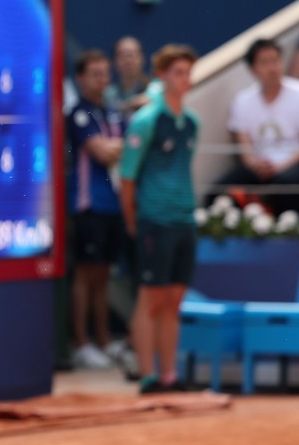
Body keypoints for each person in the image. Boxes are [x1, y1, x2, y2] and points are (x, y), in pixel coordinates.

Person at [119, 45, 201, 396]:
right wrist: (133, 221)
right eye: (178, 72)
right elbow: (127, 176)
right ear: (163, 76)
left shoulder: (192, 123)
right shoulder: (146, 120)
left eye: (188, 72)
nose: (185, 79)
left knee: (174, 301)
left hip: (184, 219)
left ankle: (169, 375)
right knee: (149, 299)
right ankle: (147, 375)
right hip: (154, 219)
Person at [210, 38, 299, 216]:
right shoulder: (242, 101)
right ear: (252, 69)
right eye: (264, 62)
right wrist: (256, 164)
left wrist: (279, 167)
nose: (272, 68)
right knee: (216, 193)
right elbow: (245, 149)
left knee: (284, 186)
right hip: (259, 165)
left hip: (297, 162)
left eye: (275, 60)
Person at [65, 50, 125, 371]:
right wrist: (116, 147)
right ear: (81, 78)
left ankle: (104, 340)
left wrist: (116, 148)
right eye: (95, 73)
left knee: (103, 275)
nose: (102, 79)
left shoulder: (112, 113)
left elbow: (128, 149)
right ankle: (81, 343)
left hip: (114, 204)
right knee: (85, 275)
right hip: (88, 203)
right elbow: (102, 153)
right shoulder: (78, 114)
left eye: (105, 73)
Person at [104, 35, 152, 114]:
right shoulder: (107, 94)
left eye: (131, 55)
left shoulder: (155, 88)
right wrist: (129, 105)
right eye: (122, 56)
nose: (128, 61)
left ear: (142, 58)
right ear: (114, 61)